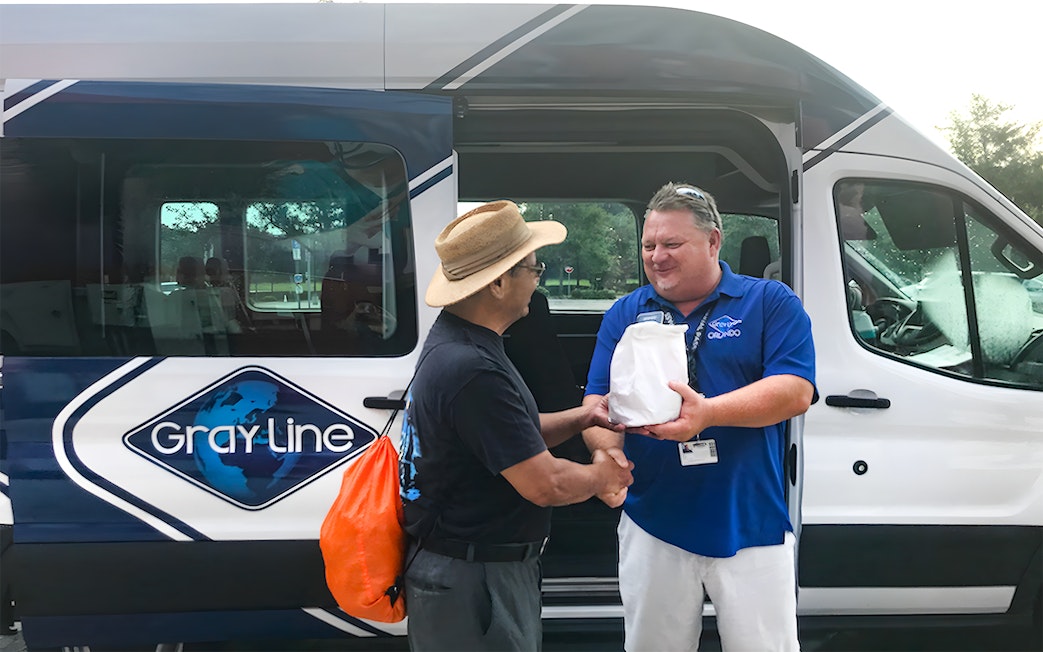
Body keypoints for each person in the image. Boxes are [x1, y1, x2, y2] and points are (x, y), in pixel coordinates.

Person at [582, 182, 817, 652]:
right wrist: (606, 455)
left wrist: (707, 414)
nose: (656, 256)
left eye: (672, 244)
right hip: (652, 522)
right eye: (649, 245)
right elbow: (596, 406)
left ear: (713, 241)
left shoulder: (771, 303)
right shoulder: (625, 313)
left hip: (750, 522)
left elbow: (795, 390)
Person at [399, 200, 634, 652]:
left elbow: (511, 437)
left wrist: (584, 416)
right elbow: (543, 483)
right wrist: (605, 475)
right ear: (500, 282)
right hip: (476, 581)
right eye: (533, 267)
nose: (537, 279)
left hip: (474, 572)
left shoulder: (466, 343)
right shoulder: (472, 368)